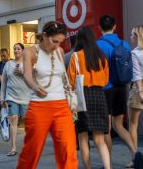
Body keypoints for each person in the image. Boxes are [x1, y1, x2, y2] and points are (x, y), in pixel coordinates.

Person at [17, 21, 78, 169]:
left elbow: (61, 77)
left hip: (62, 106)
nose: (57, 45)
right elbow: (27, 74)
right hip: (39, 106)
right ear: (44, 36)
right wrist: (34, 85)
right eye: (54, 41)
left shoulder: (60, 52)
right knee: (31, 152)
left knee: (68, 152)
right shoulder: (31, 52)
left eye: (61, 42)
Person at [97, 15, 143, 168]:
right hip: (121, 88)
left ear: (99, 28)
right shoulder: (124, 44)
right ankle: (135, 153)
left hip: (106, 89)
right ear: (115, 27)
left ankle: (107, 162)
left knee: (106, 130)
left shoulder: (98, 45)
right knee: (119, 125)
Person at [67, 26, 110, 169]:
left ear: (80, 39)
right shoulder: (102, 56)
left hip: (82, 97)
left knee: (83, 137)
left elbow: (70, 82)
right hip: (99, 96)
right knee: (100, 139)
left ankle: (88, 168)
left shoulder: (76, 56)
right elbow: (105, 81)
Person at [0, 43, 30, 156]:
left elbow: (33, 80)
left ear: (22, 51)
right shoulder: (8, 64)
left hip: (26, 97)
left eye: (18, 49)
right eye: (14, 49)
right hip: (11, 97)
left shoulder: (27, 64)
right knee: (13, 118)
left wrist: (23, 73)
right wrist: (2, 97)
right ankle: (13, 148)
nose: (16, 50)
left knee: (27, 123)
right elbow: (3, 83)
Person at [127, 25, 143, 168]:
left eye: (133, 35)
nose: (131, 37)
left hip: (138, 89)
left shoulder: (135, 53)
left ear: (138, 36)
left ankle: (135, 158)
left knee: (133, 124)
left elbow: (137, 74)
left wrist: (140, 92)